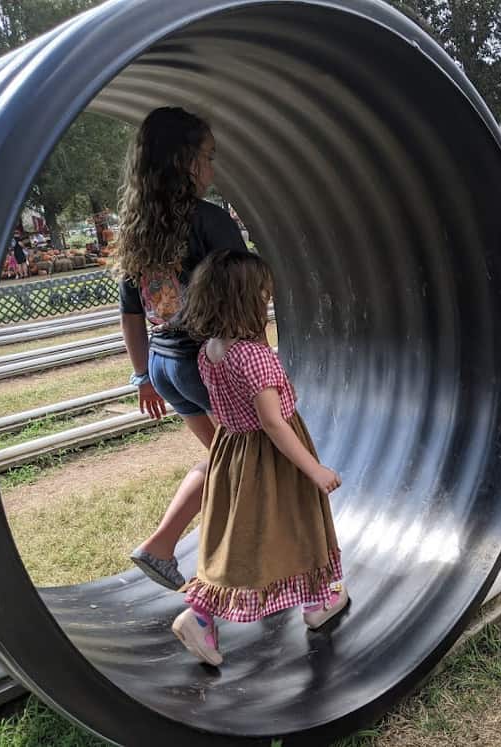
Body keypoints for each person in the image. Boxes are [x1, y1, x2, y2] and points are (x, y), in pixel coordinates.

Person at [171, 250, 348, 666]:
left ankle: (318, 598)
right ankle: (202, 614)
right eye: (264, 295)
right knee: (296, 523)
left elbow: (225, 407)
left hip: (233, 449)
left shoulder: (211, 350)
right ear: (246, 301)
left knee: (243, 533)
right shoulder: (254, 356)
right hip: (272, 457)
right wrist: (314, 468)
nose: (268, 302)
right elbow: (272, 422)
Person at [116, 107, 247, 591]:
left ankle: (163, 545)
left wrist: (142, 377)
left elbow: (131, 313)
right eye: (209, 157)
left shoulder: (137, 230)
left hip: (165, 363)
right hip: (207, 363)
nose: (213, 168)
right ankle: (222, 572)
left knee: (225, 458)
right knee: (253, 460)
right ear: (185, 162)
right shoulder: (209, 222)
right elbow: (244, 295)